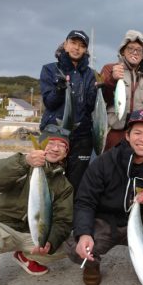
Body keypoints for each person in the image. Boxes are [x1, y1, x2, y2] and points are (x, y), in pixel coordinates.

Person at [65, 109, 143, 285]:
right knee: (76, 243)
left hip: (142, 221)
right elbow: (84, 201)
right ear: (127, 136)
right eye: (137, 133)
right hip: (106, 222)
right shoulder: (104, 162)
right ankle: (91, 265)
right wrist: (84, 233)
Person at [0, 125, 73, 285]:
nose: (55, 148)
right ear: (40, 145)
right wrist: (25, 162)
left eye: (62, 146)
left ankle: (26, 256)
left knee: (70, 246)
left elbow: (63, 221)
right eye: (51, 143)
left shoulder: (64, 185)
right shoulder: (21, 164)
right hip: (1, 226)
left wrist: (51, 241)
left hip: (30, 233)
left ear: (66, 153)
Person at [40, 30, 97, 194]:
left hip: (81, 136)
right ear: (65, 44)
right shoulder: (50, 69)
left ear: (86, 50)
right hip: (53, 132)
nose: (77, 48)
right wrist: (59, 89)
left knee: (76, 182)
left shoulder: (90, 74)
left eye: (81, 46)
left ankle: (71, 216)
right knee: (47, 177)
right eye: (73, 43)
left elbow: (90, 108)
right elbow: (49, 102)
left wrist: (96, 93)